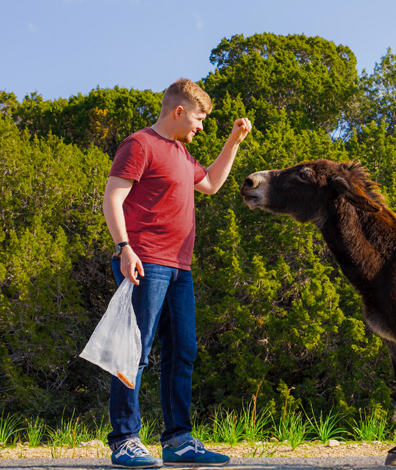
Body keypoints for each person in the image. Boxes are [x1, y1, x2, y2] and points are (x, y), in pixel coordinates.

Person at [102, 78, 252, 468]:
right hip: (145, 261)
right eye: (199, 119)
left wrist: (234, 142)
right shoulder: (139, 144)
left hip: (180, 268)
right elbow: (112, 197)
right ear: (179, 111)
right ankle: (124, 440)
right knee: (133, 351)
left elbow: (212, 184)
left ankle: (178, 441)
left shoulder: (182, 154)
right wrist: (124, 247)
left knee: (182, 352)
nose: (200, 127)